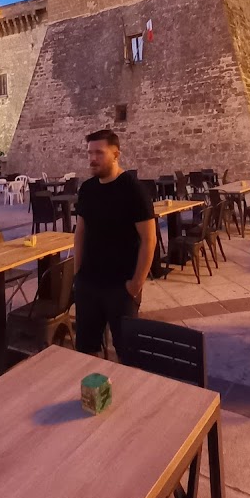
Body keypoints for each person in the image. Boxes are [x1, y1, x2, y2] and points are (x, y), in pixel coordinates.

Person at [73, 129, 156, 357]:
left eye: (99, 153)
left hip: (121, 287)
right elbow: (80, 232)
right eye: (90, 152)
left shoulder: (133, 189)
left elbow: (149, 239)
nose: (92, 158)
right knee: (85, 350)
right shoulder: (87, 189)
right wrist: (77, 274)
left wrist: (135, 284)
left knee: (128, 352)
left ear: (116, 154)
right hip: (88, 284)